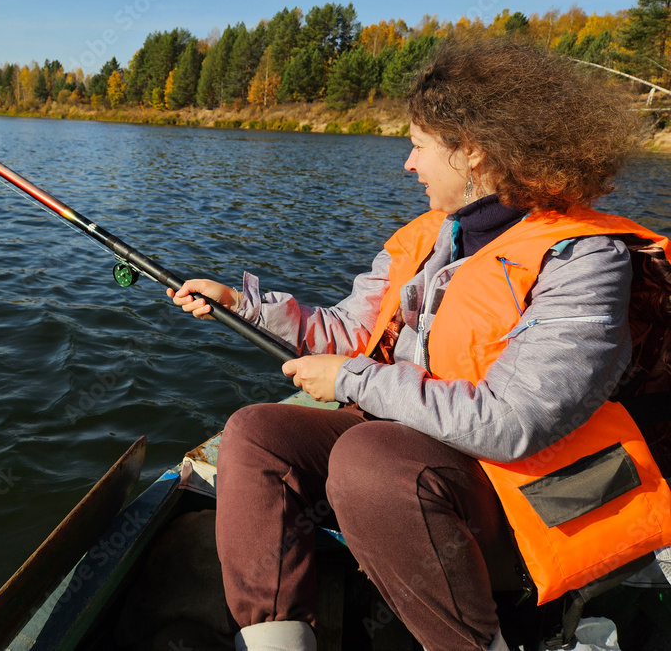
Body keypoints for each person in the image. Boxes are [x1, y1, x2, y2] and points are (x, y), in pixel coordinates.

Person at [168, 39, 671, 651]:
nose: (407, 164)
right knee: (256, 433)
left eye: (419, 145)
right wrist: (243, 306)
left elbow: (515, 422)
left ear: (475, 151)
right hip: (417, 446)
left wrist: (354, 382)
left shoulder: (585, 258)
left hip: (517, 496)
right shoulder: (427, 237)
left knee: (370, 458)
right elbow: (352, 333)